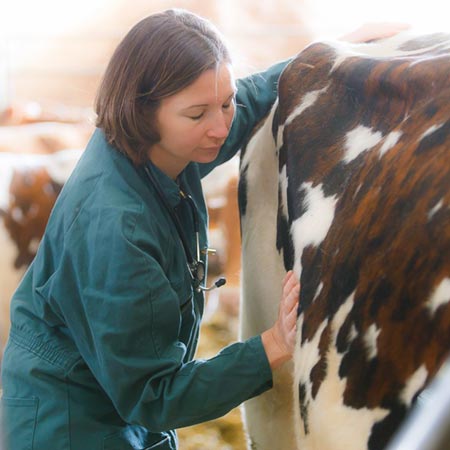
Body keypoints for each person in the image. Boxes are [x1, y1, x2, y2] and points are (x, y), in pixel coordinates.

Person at [0, 9, 407, 450]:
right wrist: (271, 345)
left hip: (111, 403)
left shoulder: (157, 151)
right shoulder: (117, 230)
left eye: (224, 102)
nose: (221, 127)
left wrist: (324, 55)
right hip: (70, 427)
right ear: (143, 112)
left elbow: (247, 99)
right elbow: (154, 397)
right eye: (197, 114)